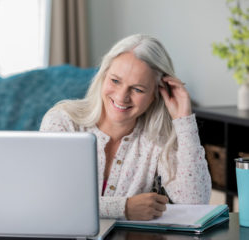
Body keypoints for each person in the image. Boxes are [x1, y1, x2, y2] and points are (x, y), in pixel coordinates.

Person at [40, 34, 211, 220]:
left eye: (137, 89)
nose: (122, 97)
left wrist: (184, 120)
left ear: (155, 94)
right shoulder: (62, 121)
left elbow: (195, 203)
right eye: (115, 81)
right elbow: (47, 201)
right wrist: (123, 208)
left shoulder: (159, 139)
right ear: (103, 76)